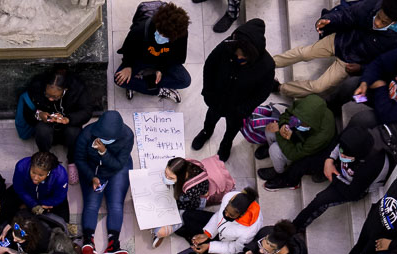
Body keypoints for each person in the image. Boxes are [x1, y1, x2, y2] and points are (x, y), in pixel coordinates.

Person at [273, 0, 397, 99]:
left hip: (350, 62)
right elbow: (349, 14)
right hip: (341, 40)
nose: (377, 23)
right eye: (378, 17)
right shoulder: (374, 5)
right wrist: (330, 19)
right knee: (304, 53)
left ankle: (280, 88)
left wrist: (361, 68)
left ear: (395, 23)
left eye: (383, 22)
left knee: (318, 87)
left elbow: (384, 66)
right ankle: (269, 63)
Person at [195, 20, 278, 161]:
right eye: (237, 55)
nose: (239, 58)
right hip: (218, 98)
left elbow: (263, 91)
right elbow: (210, 65)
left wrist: (245, 108)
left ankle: (226, 144)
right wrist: (208, 91)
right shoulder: (227, 46)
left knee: (232, 128)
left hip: (239, 106)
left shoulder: (267, 65)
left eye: (243, 58)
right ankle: (206, 132)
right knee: (211, 117)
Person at [293, 123, 389, 230]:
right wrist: (329, 160)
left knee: (320, 200)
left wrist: (335, 178)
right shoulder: (352, 139)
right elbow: (339, 146)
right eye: (342, 153)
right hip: (344, 172)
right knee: (312, 160)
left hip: (354, 187)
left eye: (346, 155)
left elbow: (353, 193)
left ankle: (295, 227)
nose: (341, 155)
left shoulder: (372, 165)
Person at [73, 111, 134, 254]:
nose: (104, 140)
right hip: (93, 171)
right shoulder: (87, 134)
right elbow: (79, 159)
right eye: (102, 137)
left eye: (108, 139)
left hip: (118, 169)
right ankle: (88, 241)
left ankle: (113, 245)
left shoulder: (127, 136)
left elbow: (118, 164)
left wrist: (104, 152)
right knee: (92, 203)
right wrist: (91, 177)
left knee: (116, 204)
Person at [114, 1, 192, 101]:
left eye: (166, 37)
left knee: (184, 81)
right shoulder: (140, 29)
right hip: (141, 59)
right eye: (160, 33)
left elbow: (179, 57)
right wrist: (128, 66)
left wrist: (161, 69)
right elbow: (128, 49)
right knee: (118, 79)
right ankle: (158, 90)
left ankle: (138, 83)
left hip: (164, 61)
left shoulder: (180, 34)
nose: (161, 37)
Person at [180, 187, 263, 254]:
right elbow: (219, 216)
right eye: (226, 210)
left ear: (241, 215)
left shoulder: (248, 233)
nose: (226, 215)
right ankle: (193, 237)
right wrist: (207, 233)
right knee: (187, 215)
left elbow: (234, 248)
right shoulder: (228, 198)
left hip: (227, 242)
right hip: (219, 230)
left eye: (231, 215)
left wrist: (209, 246)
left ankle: (193, 239)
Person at [257, 95, 337, 188]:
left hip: (304, 148)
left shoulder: (321, 136)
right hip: (299, 136)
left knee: (274, 150)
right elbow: (287, 114)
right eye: (296, 118)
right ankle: (276, 150)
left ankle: (279, 170)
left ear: (312, 123)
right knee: (270, 130)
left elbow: (294, 154)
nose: (295, 122)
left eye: (302, 122)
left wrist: (280, 132)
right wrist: (283, 124)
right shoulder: (304, 107)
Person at [157, 157, 237, 244]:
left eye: (171, 178)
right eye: (165, 173)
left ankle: (163, 230)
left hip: (197, 200)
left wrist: (176, 206)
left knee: (181, 214)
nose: (166, 178)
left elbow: (194, 204)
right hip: (195, 191)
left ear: (181, 177)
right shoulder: (186, 165)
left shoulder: (191, 188)